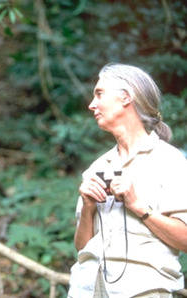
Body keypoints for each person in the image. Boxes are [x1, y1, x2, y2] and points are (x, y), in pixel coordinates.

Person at [68, 63, 187, 297]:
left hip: (143, 289)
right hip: (86, 288)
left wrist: (138, 207)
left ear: (126, 98)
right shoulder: (97, 167)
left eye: (99, 94)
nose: (92, 104)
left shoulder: (169, 161)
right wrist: (89, 207)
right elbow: (82, 246)